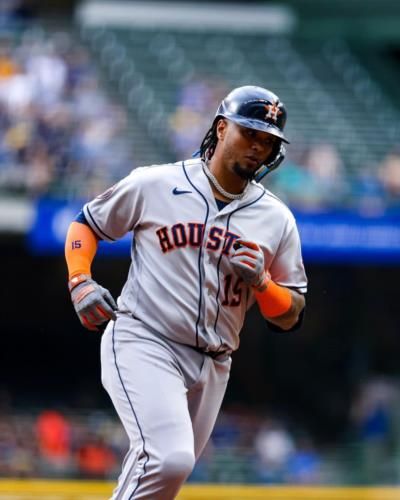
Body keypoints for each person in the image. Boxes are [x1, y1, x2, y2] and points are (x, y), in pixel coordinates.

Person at [64, 85, 307, 499]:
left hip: (214, 363)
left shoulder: (276, 219)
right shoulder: (155, 183)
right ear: (221, 127)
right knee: (168, 459)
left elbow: (291, 312)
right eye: (249, 133)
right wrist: (80, 281)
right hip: (146, 339)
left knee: (164, 477)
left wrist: (263, 284)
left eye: (268, 141)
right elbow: (87, 224)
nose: (257, 147)